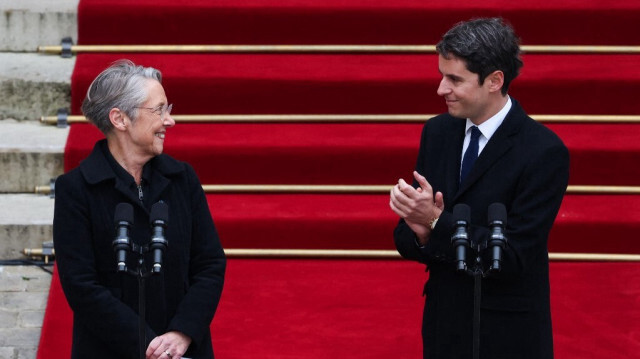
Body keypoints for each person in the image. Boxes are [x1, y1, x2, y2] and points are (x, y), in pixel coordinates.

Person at [390, 18, 569, 359]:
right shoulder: (437, 133)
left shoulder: (543, 151)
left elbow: (513, 256)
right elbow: (407, 237)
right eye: (442, 75)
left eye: (455, 79)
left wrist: (435, 224)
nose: (441, 89)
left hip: (507, 333)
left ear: (494, 81)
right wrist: (421, 231)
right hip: (445, 326)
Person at [53, 60, 226, 359]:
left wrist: (182, 332)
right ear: (120, 119)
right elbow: (82, 286)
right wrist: (147, 343)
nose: (169, 120)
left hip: (183, 351)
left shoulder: (182, 179)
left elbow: (210, 264)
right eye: (158, 110)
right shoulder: (76, 190)